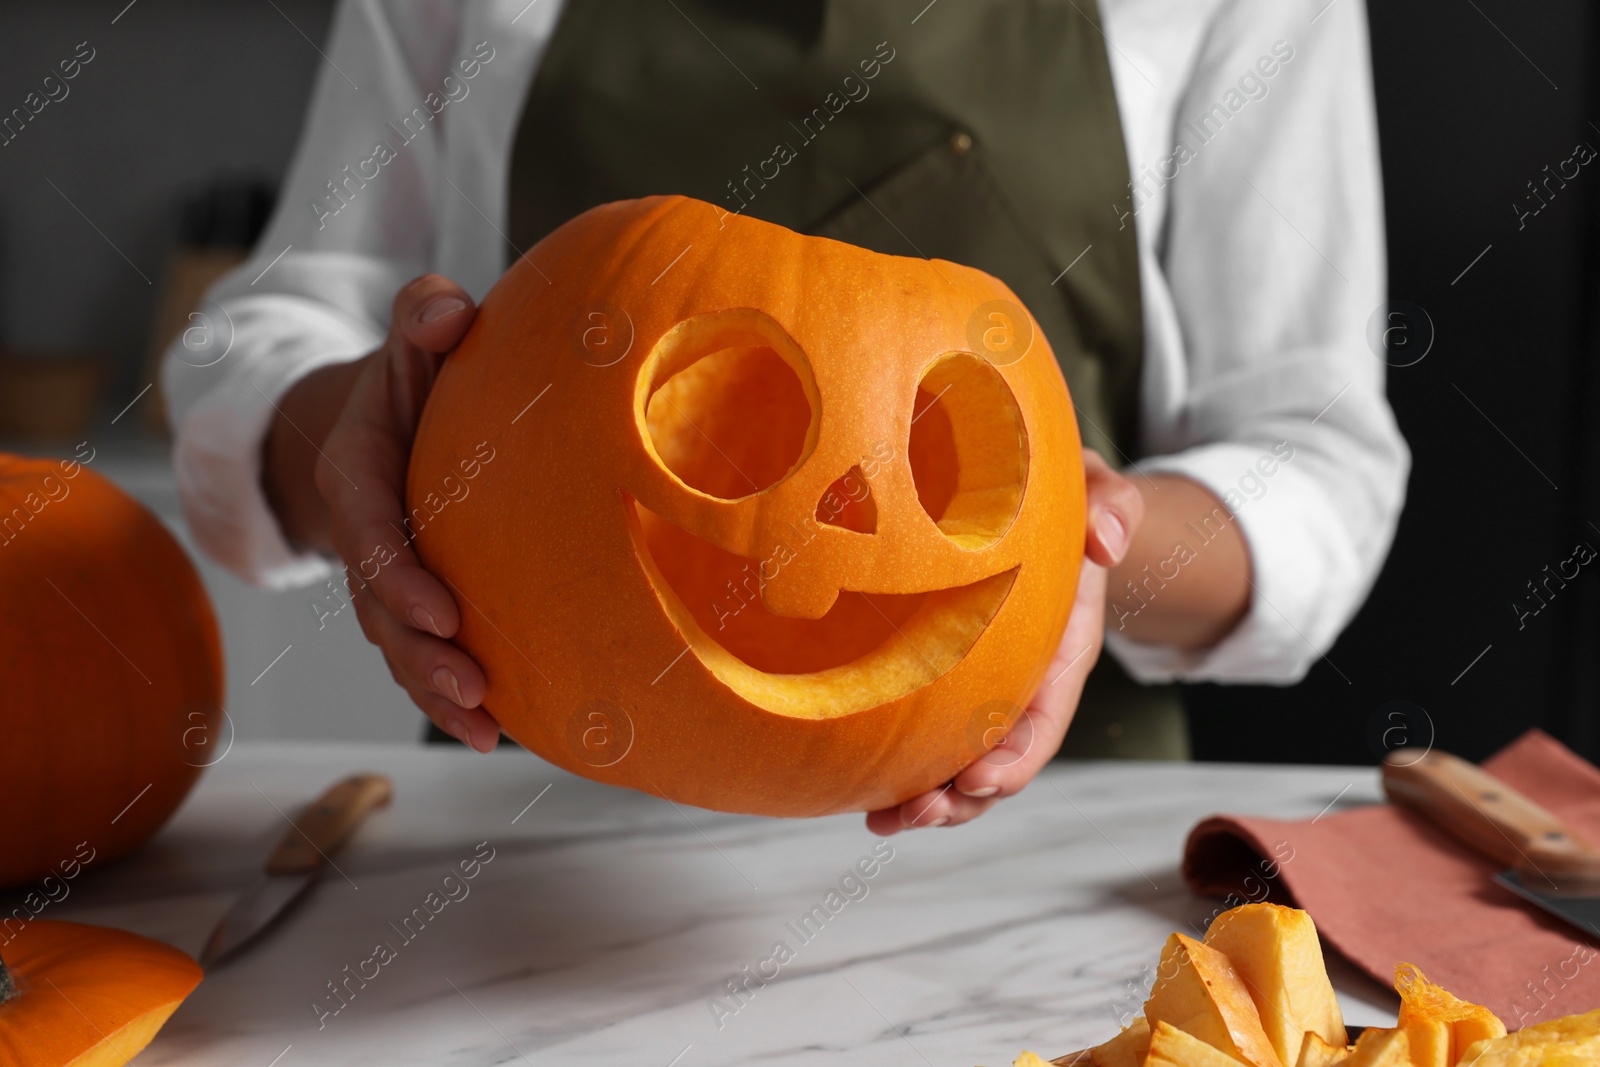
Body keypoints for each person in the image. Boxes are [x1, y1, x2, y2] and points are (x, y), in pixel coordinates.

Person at [162, 0, 1407, 835]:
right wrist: (356, 427)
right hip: (522, 822)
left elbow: (1317, 457)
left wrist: (1072, 556)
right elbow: (271, 336)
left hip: (1032, 857)